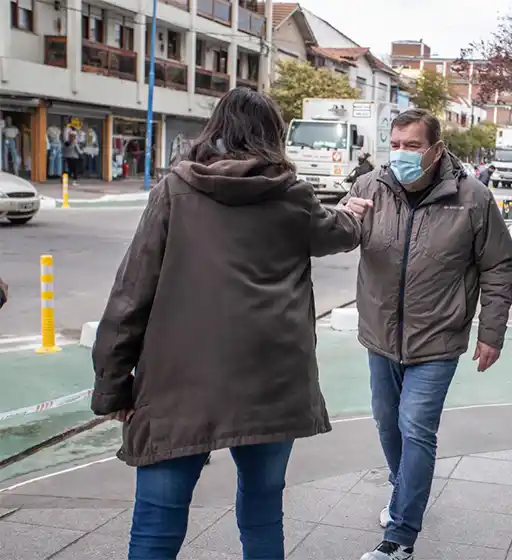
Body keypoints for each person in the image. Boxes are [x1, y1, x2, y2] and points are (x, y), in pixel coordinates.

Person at [89, 88, 362, 560]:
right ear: (275, 137)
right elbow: (334, 234)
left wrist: (113, 386)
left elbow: (131, 292)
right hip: (273, 382)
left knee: (157, 518)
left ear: (215, 129)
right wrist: (355, 214)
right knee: (261, 513)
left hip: (180, 384)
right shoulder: (292, 195)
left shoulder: (175, 190)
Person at [341, 108, 512, 560]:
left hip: (438, 337)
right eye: (395, 144)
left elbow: (498, 264)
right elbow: (335, 240)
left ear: (436, 150)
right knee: (386, 420)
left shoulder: (472, 198)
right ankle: (404, 489)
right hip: (380, 334)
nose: (399, 154)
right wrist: (338, 218)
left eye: (412, 146)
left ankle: (400, 538)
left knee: (415, 426)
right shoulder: (368, 188)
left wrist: (491, 331)